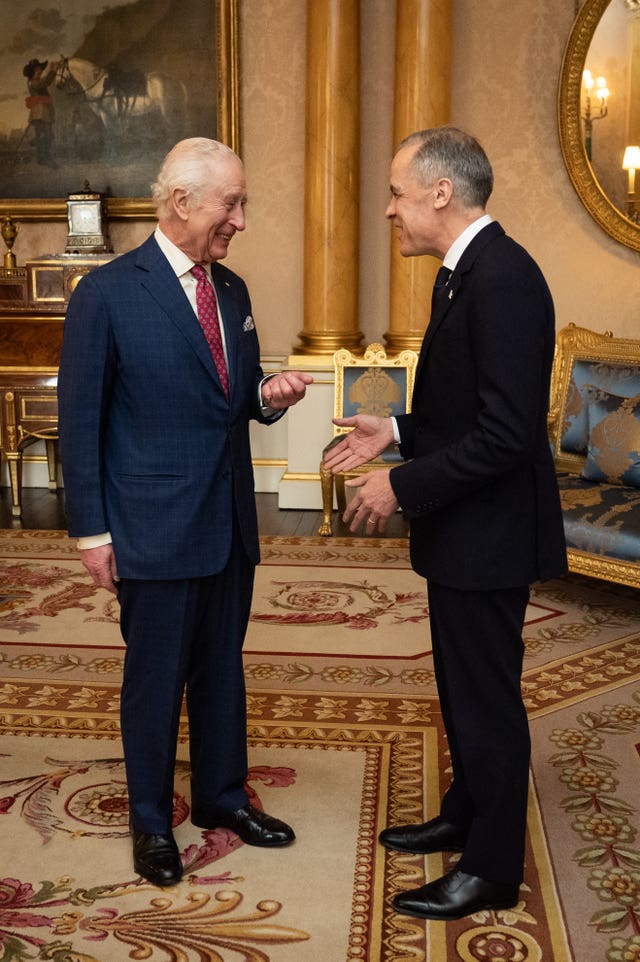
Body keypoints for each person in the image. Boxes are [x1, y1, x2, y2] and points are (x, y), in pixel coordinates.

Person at [323, 126, 567, 921]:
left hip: (490, 535)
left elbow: (505, 435)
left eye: (397, 193)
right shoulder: (464, 276)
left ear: (439, 192)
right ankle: (469, 810)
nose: (389, 210)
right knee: (461, 690)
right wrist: (392, 432)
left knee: (486, 696)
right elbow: (460, 410)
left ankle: (492, 866)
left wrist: (403, 485)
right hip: (466, 530)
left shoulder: (504, 280)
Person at [57, 137, 313, 888]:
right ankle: (148, 819)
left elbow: (229, 395)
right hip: (152, 527)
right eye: (230, 203)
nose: (240, 219)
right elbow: (81, 423)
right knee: (156, 679)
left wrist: (266, 396)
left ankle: (222, 799)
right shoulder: (106, 294)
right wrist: (92, 532)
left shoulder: (229, 291)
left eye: (242, 203)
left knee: (221, 671)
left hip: (228, 521)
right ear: (181, 203)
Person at [22, 58, 60, 168]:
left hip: (43, 111)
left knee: (44, 135)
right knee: (46, 135)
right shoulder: (34, 82)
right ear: (32, 72)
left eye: (40, 69)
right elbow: (45, 83)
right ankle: (46, 159)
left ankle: (41, 158)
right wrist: (53, 71)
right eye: (36, 69)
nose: (39, 71)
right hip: (40, 112)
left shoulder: (35, 80)